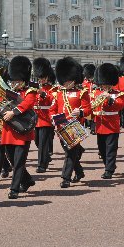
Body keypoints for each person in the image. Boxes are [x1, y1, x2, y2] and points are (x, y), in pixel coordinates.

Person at [50, 57, 91, 188]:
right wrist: (55, 120)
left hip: (74, 126)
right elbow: (53, 109)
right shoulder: (58, 93)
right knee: (71, 151)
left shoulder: (81, 92)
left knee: (69, 153)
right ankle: (79, 172)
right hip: (61, 126)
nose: (66, 82)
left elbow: (88, 108)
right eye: (65, 80)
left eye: (69, 80)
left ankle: (65, 178)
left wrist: (80, 112)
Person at [1, 56, 37, 199]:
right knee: (12, 159)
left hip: (23, 131)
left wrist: (13, 111)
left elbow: (27, 104)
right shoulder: (8, 92)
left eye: (17, 80)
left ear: (23, 79)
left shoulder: (30, 91)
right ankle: (27, 180)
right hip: (9, 130)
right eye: (13, 80)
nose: (15, 83)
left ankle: (14, 189)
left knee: (19, 161)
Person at [91, 63, 124, 179]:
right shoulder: (96, 93)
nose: (105, 86)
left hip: (112, 125)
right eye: (103, 84)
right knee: (102, 150)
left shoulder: (118, 94)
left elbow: (120, 106)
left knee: (111, 148)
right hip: (100, 124)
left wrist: (109, 99)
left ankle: (109, 170)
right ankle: (109, 165)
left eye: (107, 84)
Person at [32, 57, 56, 173]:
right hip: (36, 118)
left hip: (46, 118)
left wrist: (42, 94)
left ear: (47, 77)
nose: (41, 80)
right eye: (40, 78)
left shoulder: (52, 89)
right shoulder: (35, 88)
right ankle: (46, 156)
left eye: (43, 77)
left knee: (42, 143)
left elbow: (52, 100)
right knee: (37, 141)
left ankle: (41, 165)